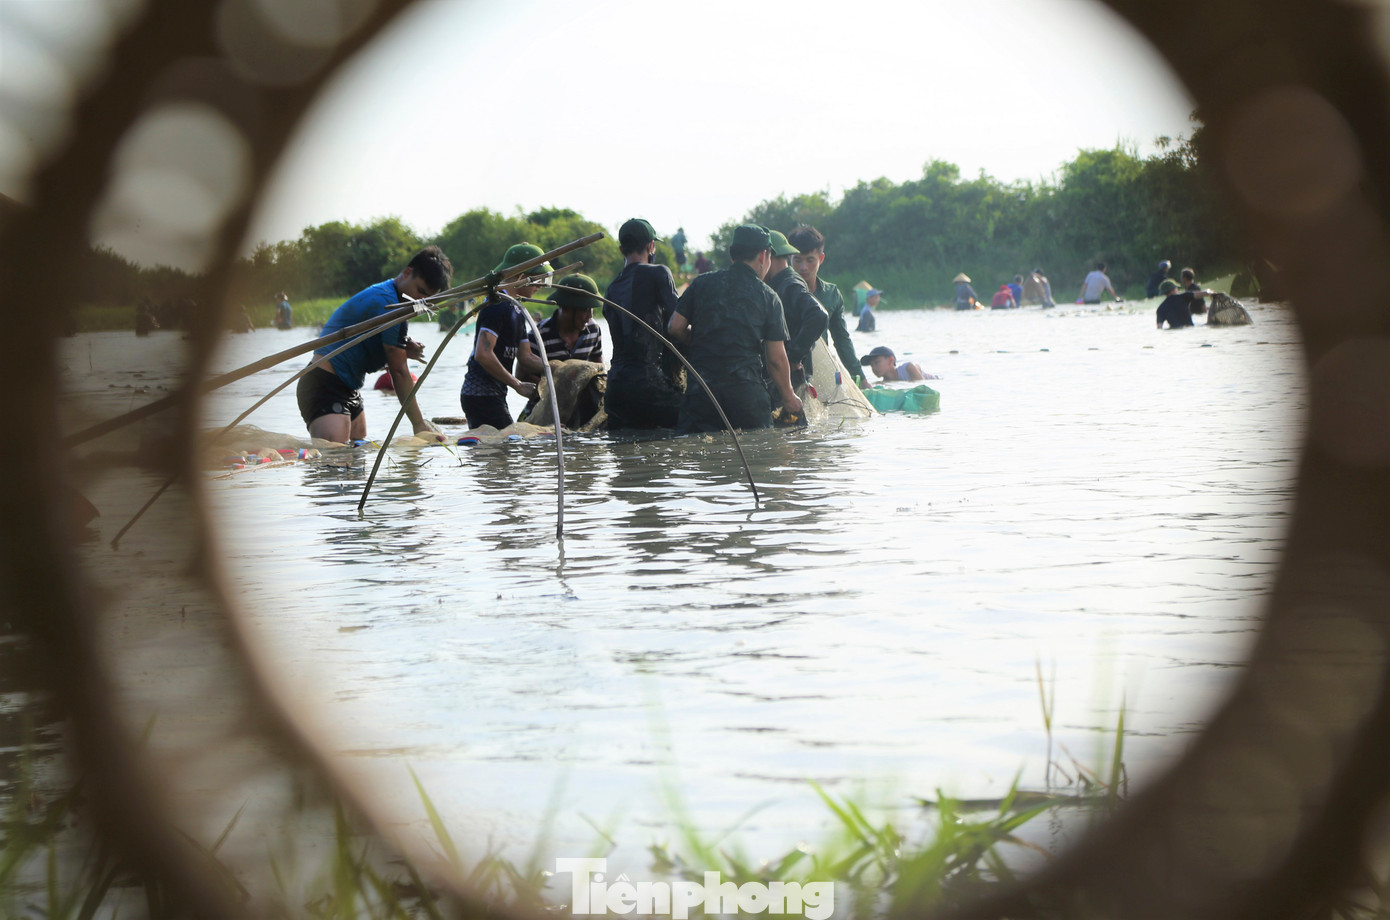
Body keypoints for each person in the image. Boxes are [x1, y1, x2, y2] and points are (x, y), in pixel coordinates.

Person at [295, 246, 451, 444]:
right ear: (407, 273)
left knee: (357, 452)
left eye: (426, 298)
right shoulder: (387, 302)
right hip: (324, 383)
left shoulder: (398, 301)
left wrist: (403, 347)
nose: (421, 300)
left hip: (349, 387)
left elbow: (375, 345)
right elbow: (399, 371)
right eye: (420, 291)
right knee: (334, 459)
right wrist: (418, 424)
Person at [667, 224, 803, 433]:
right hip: (746, 398)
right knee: (756, 453)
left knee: (699, 456)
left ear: (733, 255)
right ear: (763, 256)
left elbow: (675, 327)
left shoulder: (701, 283)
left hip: (701, 395)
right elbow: (776, 359)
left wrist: (699, 342)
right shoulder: (768, 296)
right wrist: (788, 396)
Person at [458, 242, 548, 430]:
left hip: (496, 393)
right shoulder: (498, 304)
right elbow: (483, 354)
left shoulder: (516, 308)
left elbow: (526, 357)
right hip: (480, 394)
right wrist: (517, 385)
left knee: (501, 449)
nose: (539, 285)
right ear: (522, 276)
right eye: (537, 278)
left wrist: (556, 368)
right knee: (504, 447)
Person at [606, 217, 685, 429]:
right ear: (651, 246)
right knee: (697, 418)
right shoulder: (659, 272)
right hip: (648, 384)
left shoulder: (611, 288)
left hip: (614, 388)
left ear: (622, 250)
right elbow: (679, 319)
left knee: (624, 458)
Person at [518, 273, 604, 420]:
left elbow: (598, 366)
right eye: (584, 310)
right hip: (546, 409)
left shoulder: (593, 330)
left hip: (582, 408)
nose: (589, 316)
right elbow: (522, 376)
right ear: (567, 309)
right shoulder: (538, 335)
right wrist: (558, 389)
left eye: (591, 310)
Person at [787, 224, 861, 382]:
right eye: (797, 260)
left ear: (821, 259)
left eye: (810, 260)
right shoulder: (780, 291)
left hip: (822, 370)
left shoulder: (831, 294)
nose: (803, 267)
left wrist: (859, 375)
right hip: (789, 369)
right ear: (789, 258)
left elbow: (841, 339)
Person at [764, 230, 828, 396]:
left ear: (768, 257)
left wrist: (792, 357)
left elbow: (819, 315)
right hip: (783, 376)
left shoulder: (790, 285)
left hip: (791, 378)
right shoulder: (777, 284)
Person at [858, 345, 936, 385]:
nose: (874, 368)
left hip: (935, 380)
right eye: (871, 365)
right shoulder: (884, 383)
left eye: (877, 362)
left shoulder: (908, 368)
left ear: (890, 360)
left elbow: (922, 387)